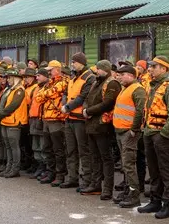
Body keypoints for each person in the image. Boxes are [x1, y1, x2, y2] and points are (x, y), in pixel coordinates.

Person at [138, 56, 169, 219]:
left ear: (164, 69)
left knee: (166, 169)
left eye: (154, 66)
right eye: (150, 66)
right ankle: (155, 200)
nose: (150, 69)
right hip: (149, 132)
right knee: (153, 169)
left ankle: (168, 204)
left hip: (162, 135)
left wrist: (164, 133)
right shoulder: (153, 85)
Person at [82, 60, 121, 199]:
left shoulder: (112, 83)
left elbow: (108, 103)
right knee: (94, 157)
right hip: (92, 124)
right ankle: (95, 185)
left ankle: (107, 189)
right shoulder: (96, 82)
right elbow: (87, 99)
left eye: (98, 69)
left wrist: (89, 111)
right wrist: (85, 110)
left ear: (105, 69)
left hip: (103, 125)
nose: (96, 71)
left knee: (106, 158)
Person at [113, 64, 147, 208]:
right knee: (125, 165)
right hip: (121, 131)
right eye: (119, 74)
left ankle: (134, 196)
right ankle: (128, 191)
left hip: (129, 132)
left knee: (129, 165)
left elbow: (140, 110)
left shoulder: (138, 89)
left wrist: (134, 129)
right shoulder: (125, 88)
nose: (119, 77)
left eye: (122, 75)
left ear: (132, 76)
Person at [62, 53, 93, 191]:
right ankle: (72, 178)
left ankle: (86, 180)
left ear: (81, 62)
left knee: (83, 151)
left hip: (80, 119)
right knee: (70, 150)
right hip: (69, 118)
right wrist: (64, 104)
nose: (72, 64)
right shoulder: (73, 77)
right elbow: (66, 93)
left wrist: (67, 107)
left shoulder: (89, 77)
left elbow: (83, 96)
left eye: (74, 62)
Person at [0, 69, 28, 178]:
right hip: (6, 120)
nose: (7, 79)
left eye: (9, 77)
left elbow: (13, 106)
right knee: (8, 146)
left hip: (14, 122)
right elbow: (1, 104)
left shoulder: (19, 90)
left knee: (14, 146)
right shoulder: (9, 90)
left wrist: (0, 115)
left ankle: (15, 169)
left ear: (15, 78)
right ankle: (9, 167)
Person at [41, 61, 69, 185]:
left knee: (58, 149)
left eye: (50, 70)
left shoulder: (64, 81)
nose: (48, 72)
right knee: (47, 148)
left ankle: (60, 174)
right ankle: (50, 172)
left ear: (57, 70)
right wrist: (47, 95)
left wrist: (46, 94)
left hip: (57, 119)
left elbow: (48, 93)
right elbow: (39, 97)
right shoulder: (50, 83)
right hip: (47, 118)